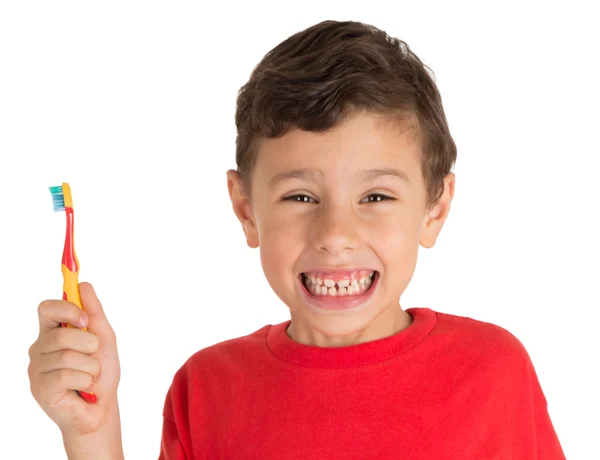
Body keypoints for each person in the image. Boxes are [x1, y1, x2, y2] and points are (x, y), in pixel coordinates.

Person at [27, 20, 566, 459]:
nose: (335, 235)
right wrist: (91, 433)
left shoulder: (493, 373)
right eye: (300, 197)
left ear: (435, 208)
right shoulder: (208, 390)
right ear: (245, 208)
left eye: (376, 197)